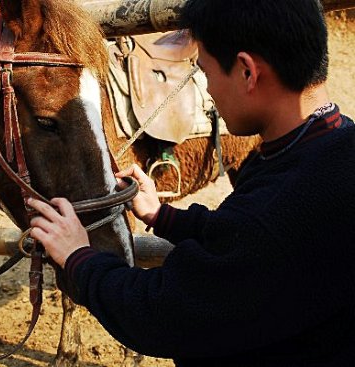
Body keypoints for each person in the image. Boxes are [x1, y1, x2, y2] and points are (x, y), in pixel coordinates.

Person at [27, 0, 355, 365]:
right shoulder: (329, 146)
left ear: (247, 71)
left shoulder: (279, 212)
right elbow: (238, 236)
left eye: (206, 73)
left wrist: (78, 257)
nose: (209, 91)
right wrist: (162, 216)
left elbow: (160, 314)